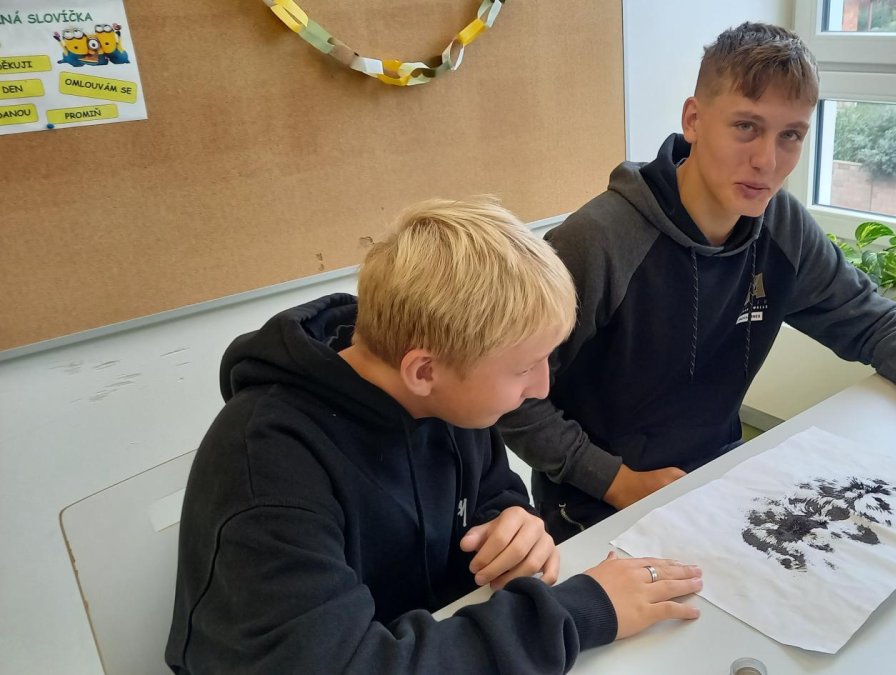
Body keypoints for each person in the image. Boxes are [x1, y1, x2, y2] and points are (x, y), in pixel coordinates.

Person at [498, 22, 896, 543]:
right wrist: (616, 481)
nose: (767, 161)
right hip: (595, 508)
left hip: (719, 479)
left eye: (790, 135)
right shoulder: (597, 241)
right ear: (693, 120)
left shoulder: (781, 224)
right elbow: (506, 394)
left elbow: (871, 320)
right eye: (746, 127)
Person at [165, 198, 703, 674]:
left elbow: (489, 492)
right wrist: (580, 614)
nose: (542, 387)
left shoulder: (447, 399)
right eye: (524, 368)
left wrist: (511, 522)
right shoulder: (268, 468)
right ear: (424, 371)